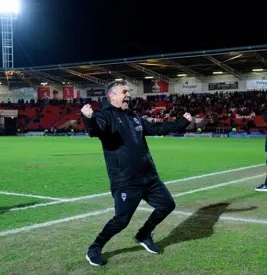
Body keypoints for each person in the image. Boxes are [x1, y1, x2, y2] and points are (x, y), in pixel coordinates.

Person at [81, 80, 192, 267]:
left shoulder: (133, 115)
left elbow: (157, 129)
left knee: (167, 205)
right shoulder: (103, 115)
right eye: (124, 91)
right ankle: (95, 248)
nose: (129, 95)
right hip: (126, 180)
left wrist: (182, 121)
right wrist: (88, 118)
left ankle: (143, 234)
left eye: (128, 92)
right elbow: (94, 130)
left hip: (148, 176)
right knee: (122, 220)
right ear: (112, 96)